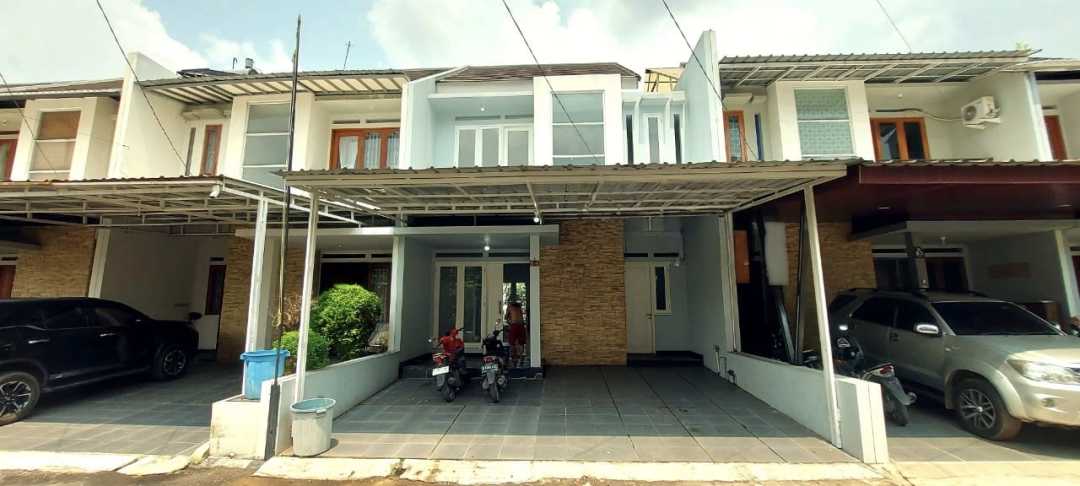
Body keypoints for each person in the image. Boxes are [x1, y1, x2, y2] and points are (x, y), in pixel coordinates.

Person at [505, 302, 527, 366]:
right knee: (521, 343)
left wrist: (509, 321)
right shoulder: (519, 308)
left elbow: (506, 317)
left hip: (515, 325)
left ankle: (513, 358)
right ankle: (520, 357)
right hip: (521, 325)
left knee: (512, 342)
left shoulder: (510, 307)